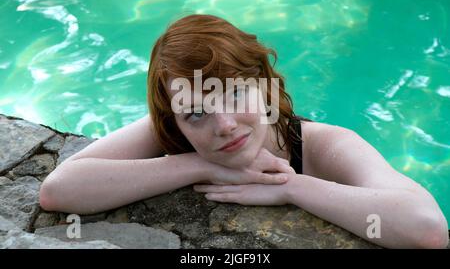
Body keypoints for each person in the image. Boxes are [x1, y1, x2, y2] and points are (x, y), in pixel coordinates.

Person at [39, 14, 448, 248]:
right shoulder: (174, 129)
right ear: (174, 120)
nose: (224, 125)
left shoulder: (324, 145)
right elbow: (58, 191)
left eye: (235, 94)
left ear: (265, 84)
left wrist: (292, 188)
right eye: (196, 114)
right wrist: (198, 166)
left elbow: (428, 229)